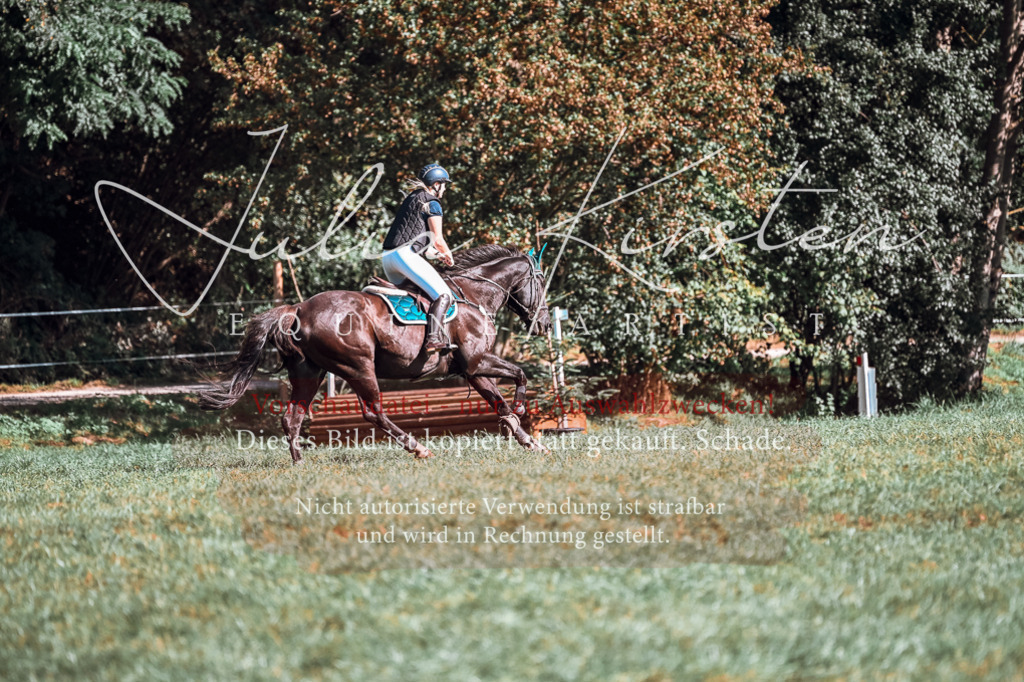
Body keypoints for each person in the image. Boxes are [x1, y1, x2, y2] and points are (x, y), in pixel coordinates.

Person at [381, 163, 457, 354]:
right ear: (436, 184)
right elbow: (438, 240)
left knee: (414, 296)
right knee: (444, 295)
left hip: (388, 258)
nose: (445, 189)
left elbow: (421, 244)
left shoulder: (412, 198)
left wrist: (438, 255)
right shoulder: (432, 203)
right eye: (444, 184)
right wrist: (449, 255)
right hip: (404, 256)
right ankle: (433, 339)